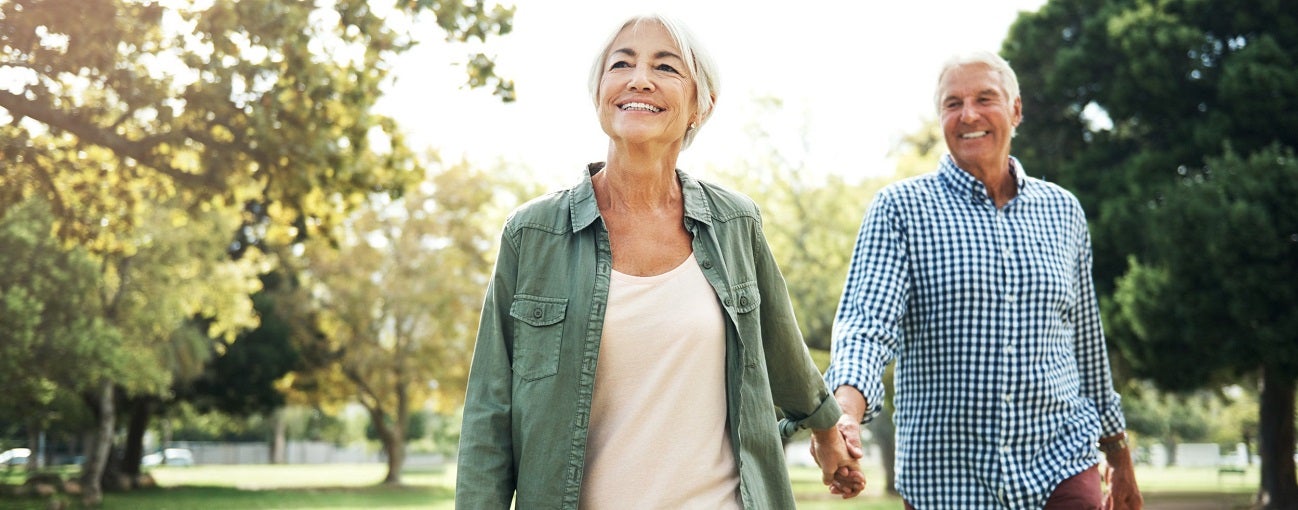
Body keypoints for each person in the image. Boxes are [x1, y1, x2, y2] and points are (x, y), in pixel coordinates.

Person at [454, 13, 864, 508]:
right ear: (600, 94)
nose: (639, 78)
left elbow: (780, 348)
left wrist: (825, 428)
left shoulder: (736, 224)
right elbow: (488, 413)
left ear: (701, 105)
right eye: (621, 64)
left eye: (666, 67)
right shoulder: (533, 233)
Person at [816, 51, 1143, 509]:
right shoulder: (900, 209)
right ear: (941, 119)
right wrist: (844, 415)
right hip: (947, 476)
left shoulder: (1063, 211)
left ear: (1016, 110)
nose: (968, 114)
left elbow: (1086, 341)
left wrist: (1117, 451)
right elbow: (866, 326)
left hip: (1062, 464)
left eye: (985, 99)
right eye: (953, 104)